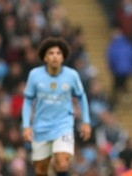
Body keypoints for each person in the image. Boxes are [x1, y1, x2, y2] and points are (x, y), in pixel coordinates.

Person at [22, 37, 91, 176]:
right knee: (40, 170)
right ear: (45, 57)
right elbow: (28, 100)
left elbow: (81, 97)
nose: (55, 56)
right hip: (41, 127)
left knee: (62, 162)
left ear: (63, 57)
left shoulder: (71, 75)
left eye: (58, 53)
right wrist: (26, 126)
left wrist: (86, 122)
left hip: (63, 125)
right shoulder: (35, 75)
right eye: (51, 53)